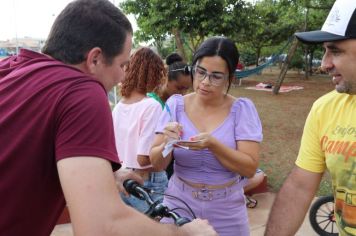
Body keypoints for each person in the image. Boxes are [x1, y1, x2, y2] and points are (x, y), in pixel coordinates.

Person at [0, 0, 217, 235]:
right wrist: (185, 232)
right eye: (123, 65)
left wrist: (106, 174)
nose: (123, 77)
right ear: (95, 59)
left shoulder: (11, 68)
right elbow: (101, 227)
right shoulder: (81, 91)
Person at [150, 36, 263, 236]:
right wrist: (167, 143)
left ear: (229, 77)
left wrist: (213, 145)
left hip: (227, 208)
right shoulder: (176, 105)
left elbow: (250, 167)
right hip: (179, 203)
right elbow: (157, 164)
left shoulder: (241, 109)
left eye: (216, 76)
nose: (204, 82)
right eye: (200, 72)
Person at [265, 0, 356, 235]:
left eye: (335, 50)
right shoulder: (324, 109)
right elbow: (299, 186)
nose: (324, 64)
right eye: (324, 51)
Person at [112, 47, 168, 213]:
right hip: (147, 181)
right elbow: (144, 158)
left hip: (122, 180)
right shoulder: (151, 106)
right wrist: (170, 142)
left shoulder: (119, 106)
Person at [147, 52, 192, 179]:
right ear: (166, 78)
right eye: (179, 88)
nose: (182, 94)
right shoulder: (153, 104)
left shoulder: (180, 105)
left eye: (186, 89)